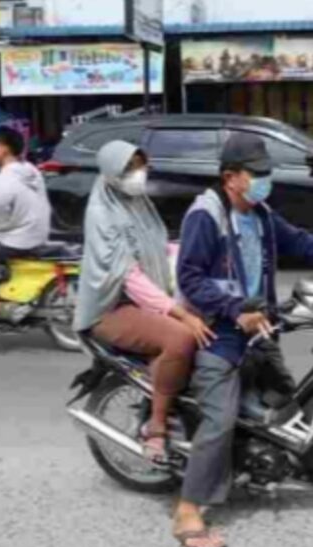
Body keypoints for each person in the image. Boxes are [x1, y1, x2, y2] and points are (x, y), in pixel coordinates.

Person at [172, 132, 313, 547]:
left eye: (267, 174)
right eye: (257, 174)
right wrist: (233, 310)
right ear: (231, 177)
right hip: (220, 334)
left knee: (290, 399)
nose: (266, 181)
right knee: (220, 420)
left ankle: (289, 465)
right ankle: (188, 509)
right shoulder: (205, 216)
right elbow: (189, 278)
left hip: (259, 328)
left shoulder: (260, 213)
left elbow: (298, 242)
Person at [73, 140, 213, 464]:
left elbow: (160, 248)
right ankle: (157, 428)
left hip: (141, 300)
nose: (138, 174)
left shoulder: (136, 202)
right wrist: (179, 312)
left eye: (139, 165)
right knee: (182, 337)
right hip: (112, 308)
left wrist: (202, 259)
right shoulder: (102, 212)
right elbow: (129, 276)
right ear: (111, 173)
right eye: (128, 168)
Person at [0, 126, 50, 321]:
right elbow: (13, 207)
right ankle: (3, 290)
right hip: (37, 233)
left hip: (19, 239)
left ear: (4, 149)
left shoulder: (7, 177)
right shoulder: (30, 170)